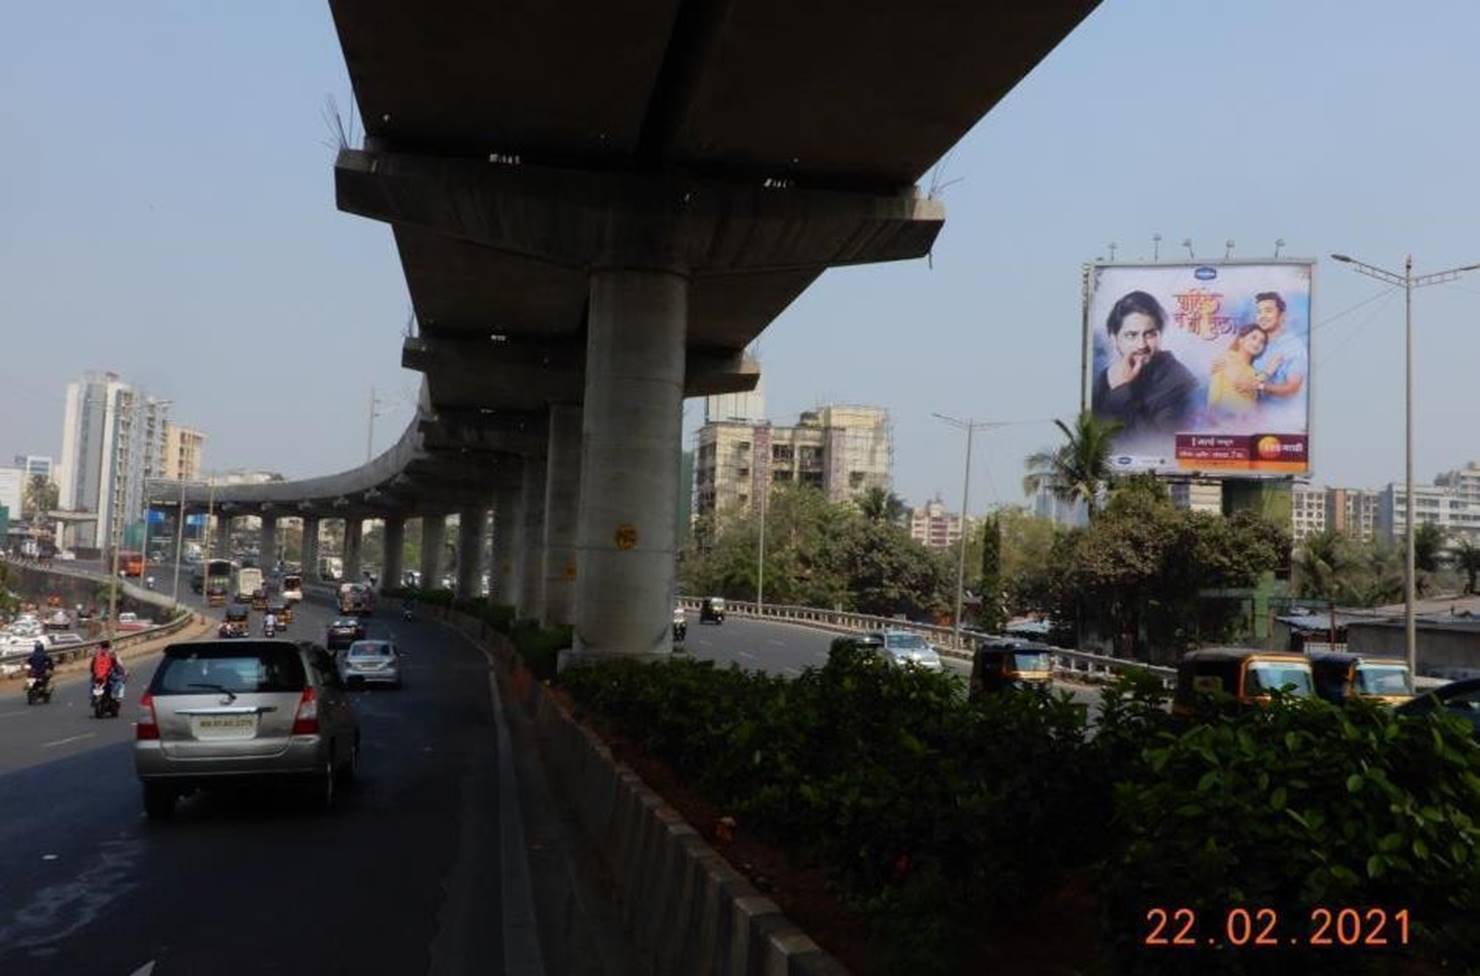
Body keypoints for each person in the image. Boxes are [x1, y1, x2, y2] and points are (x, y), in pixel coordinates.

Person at [1091, 290, 1198, 441]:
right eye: (1131, 335)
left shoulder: (1181, 383)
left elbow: (1155, 446)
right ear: (1114, 339)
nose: (1141, 345)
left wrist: (1121, 391)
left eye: (1149, 334)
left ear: (1159, 335)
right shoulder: (1106, 376)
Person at [1219, 291, 1306, 405]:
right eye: (1259, 312)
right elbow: (1232, 356)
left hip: (1277, 417)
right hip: (1244, 412)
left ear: (1282, 315)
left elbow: (1292, 388)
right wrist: (1220, 364)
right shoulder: (1255, 338)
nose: (1262, 316)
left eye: (1268, 311)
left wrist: (1258, 386)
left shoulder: (1294, 347)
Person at [1207, 324, 1282, 417]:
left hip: (1245, 423)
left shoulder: (1252, 371)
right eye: (1253, 338)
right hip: (1223, 420)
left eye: (1262, 342)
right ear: (1241, 340)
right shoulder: (1227, 357)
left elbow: (1251, 401)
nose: (1257, 343)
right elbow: (1241, 383)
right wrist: (1268, 371)